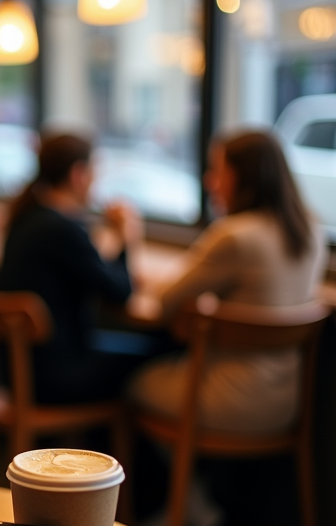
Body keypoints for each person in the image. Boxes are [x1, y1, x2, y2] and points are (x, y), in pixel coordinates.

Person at [129, 131, 327, 433]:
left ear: (243, 176)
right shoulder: (311, 230)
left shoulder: (235, 235)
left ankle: (174, 479)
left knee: (131, 380)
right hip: (288, 401)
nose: (210, 181)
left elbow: (165, 301)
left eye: (218, 170)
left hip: (226, 397)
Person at [0, 133, 149, 404]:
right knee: (153, 352)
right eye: (94, 171)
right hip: (54, 377)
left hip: (18, 372)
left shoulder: (28, 216)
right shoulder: (61, 228)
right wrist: (126, 237)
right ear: (78, 174)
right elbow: (121, 292)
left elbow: (89, 271)